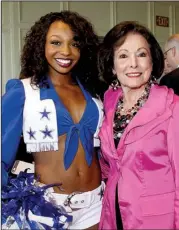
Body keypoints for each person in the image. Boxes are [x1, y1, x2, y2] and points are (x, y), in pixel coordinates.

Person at [1, 11, 106, 229]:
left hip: (95, 204)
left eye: (74, 44)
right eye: (56, 42)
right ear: (41, 46)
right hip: (46, 207)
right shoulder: (22, 90)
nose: (66, 51)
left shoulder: (94, 92)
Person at [98, 21, 179, 229]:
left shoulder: (174, 106)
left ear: (152, 60)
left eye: (141, 54)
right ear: (112, 65)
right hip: (113, 214)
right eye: (123, 55)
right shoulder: (108, 101)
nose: (133, 64)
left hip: (155, 219)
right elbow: (111, 163)